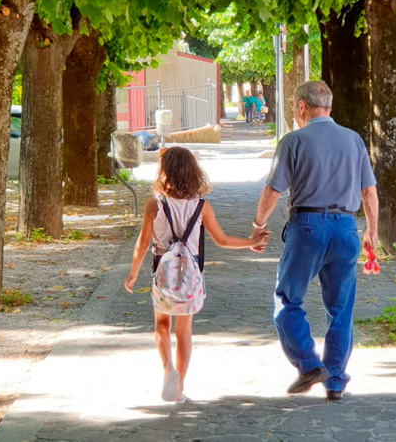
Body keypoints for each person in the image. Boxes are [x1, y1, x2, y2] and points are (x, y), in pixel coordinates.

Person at [250, 80, 378, 402]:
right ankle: (334, 381)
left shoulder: (293, 141)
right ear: (330, 108)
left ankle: (308, 364)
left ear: (302, 107)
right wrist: (372, 231)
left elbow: (273, 190)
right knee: (341, 310)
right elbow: (368, 191)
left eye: (295, 108)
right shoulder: (354, 140)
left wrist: (258, 225)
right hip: (347, 229)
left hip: (307, 227)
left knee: (286, 300)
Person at [125, 147, 268, 404]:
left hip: (163, 275)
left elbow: (142, 244)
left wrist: (132, 274)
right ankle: (179, 388)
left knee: (161, 325)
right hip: (190, 278)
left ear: (164, 173)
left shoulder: (154, 205)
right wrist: (250, 242)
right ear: (193, 173)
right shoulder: (201, 207)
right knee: (184, 330)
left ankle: (168, 369)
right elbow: (222, 240)